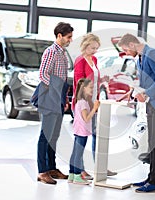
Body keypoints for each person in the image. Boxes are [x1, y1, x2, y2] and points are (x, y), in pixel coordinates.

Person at [117, 33, 155, 193]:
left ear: (131, 44)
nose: (125, 53)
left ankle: (153, 182)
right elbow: (145, 81)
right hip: (152, 101)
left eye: (125, 50)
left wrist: (145, 94)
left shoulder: (152, 54)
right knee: (152, 141)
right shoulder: (141, 57)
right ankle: (151, 176)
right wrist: (131, 93)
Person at [72, 33, 117, 180]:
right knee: (81, 138)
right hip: (84, 104)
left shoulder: (95, 59)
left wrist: (102, 79)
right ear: (85, 46)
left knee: (98, 136)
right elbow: (80, 85)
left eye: (97, 48)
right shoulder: (80, 61)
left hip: (95, 102)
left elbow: (93, 80)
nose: (95, 51)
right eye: (92, 48)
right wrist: (90, 105)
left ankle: (100, 167)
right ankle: (80, 170)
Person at [36, 22, 74, 185]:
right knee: (45, 136)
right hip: (49, 98)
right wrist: (54, 92)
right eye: (68, 37)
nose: (70, 40)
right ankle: (42, 171)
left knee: (54, 135)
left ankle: (52, 168)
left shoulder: (63, 53)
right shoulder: (51, 52)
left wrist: (64, 97)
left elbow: (63, 78)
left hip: (58, 98)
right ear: (59, 36)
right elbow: (43, 74)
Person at [68, 78, 100, 185]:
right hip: (82, 131)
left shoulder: (81, 101)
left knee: (75, 153)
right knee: (78, 154)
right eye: (90, 87)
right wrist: (95, 108)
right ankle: (77, 176)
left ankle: (72, 174)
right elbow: (86, 118)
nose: (92, 89)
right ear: (84, 88)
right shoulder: (83, 103)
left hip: (78, 130)